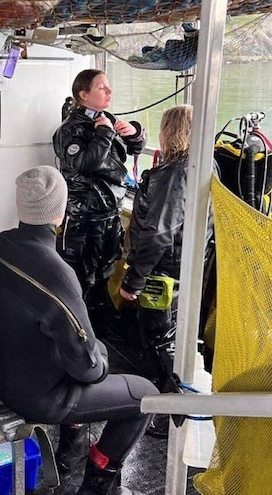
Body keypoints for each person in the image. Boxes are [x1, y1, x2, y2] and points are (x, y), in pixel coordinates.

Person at [0, 166, 158, 495]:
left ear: (21, 206)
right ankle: (95, 487)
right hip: (40, 397)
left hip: (0, 372)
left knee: (82, 350)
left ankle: (68, 452)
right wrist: (99, 355)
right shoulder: (56, 274)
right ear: (60, 212)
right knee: (146, 395)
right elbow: (89, 370)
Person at [53, 69, 146, 331]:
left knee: (105, 273)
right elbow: (85, 163)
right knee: (79, 280)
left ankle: (101, 332)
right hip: (84, 219)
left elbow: (134, 148)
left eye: (108, 87)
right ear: (83, 95)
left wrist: (134, 133)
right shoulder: (69, 130)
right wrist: (104, 133)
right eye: (102, 88)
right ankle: (75, 334)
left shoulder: (107, 120)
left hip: (110, 216)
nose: (109, 92)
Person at [119, 105, 194, 390]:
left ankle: (169, 412)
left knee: (160, 339)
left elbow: (158, 232)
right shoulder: (198, 165)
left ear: (169, 133)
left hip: (163, 274)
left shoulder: (173, 175)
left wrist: (133, 280)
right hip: (183, 267)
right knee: (172, 336)